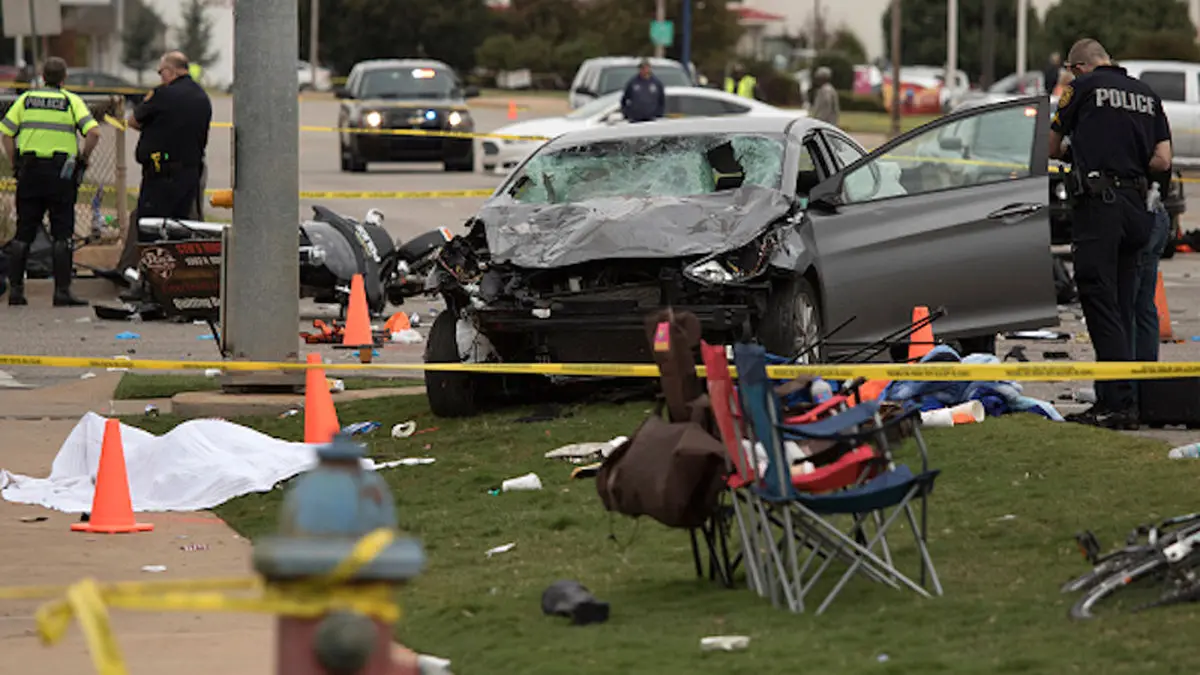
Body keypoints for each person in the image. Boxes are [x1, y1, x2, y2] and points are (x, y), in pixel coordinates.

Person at [1049, 38, 1172, 429]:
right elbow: (1163, 159)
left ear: (1079, 66)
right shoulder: (1147, 95)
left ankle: (1115, 405)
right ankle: (1123, 401)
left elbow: (1051, 146)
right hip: (1137, 209)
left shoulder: (1081, 89)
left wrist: (1078, 149)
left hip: (1099, 208)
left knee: (1099, 302)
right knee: (1123, 307)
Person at [0, 56, 100, 307]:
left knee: (24, 232)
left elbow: (6, 132)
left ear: (43, 77)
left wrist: (15, 163)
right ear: (64, 78)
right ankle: (62, 292)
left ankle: (16, 292)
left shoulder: (26, 99)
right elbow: (94, 132)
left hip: (30, 172)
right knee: (61, 233)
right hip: (60, 175)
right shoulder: (70, 101)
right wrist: (83, 159)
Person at [118, 51, 212, 292]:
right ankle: (178, 284)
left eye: (161, 72)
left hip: (161, 175)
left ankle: (148, 285)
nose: (160, 77)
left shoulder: (163, 95)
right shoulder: (202, 97)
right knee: (180, 229)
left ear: (170, 71)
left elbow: (134, 121)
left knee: (150, 227)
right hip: (190, 173)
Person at [620, 59, 665, 123]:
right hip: (636, 120)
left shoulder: (656, 83)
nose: (644, 70)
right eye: (642, 68)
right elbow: (624, 100)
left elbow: (661, 101)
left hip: (652, 120)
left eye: (646, 68)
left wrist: (659, 114)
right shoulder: (633, 83)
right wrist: (627, 114)